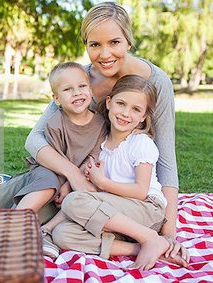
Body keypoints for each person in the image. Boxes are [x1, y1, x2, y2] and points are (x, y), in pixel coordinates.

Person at [24, 1, 189, 264]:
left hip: (117, 195)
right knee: (60, 229)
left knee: (72, 206)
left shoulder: (155, 83)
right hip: (89, 185)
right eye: (94, 45)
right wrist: (72, 175)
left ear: (128, 41)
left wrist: (170, 233)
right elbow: (34, 139)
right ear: (86, 45)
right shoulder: (80, 81)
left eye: (114, 42)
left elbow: (166, 159)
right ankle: (138, 245)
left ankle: (152, 238)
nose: (105, 54)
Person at [0, 62, 107, 254]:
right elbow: (53, 159)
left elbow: (93, 156)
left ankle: (40, 232)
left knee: (70, 200)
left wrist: (69, 185)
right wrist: (64, 182)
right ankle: (13, 222)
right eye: (68, 89)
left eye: (82, 86)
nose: (77, 93)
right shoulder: (55, 123)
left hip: (75, 179)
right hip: (49, 171)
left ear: (91, 91)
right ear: (56, 99)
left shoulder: (100, 124)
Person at [49, 75, 171, 270]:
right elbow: (84, 173)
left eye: (136, 109)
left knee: (74, 201)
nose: (125, 113)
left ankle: (150, 237)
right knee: (63, 234)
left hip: (147, 210)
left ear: (144, 116)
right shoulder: (102, 143)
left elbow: (141, 191)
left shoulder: (140, 143)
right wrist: (66, 184)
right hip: (117, 217)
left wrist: (102, 183)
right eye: (121, 104)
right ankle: (138, 247)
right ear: (108, 102)